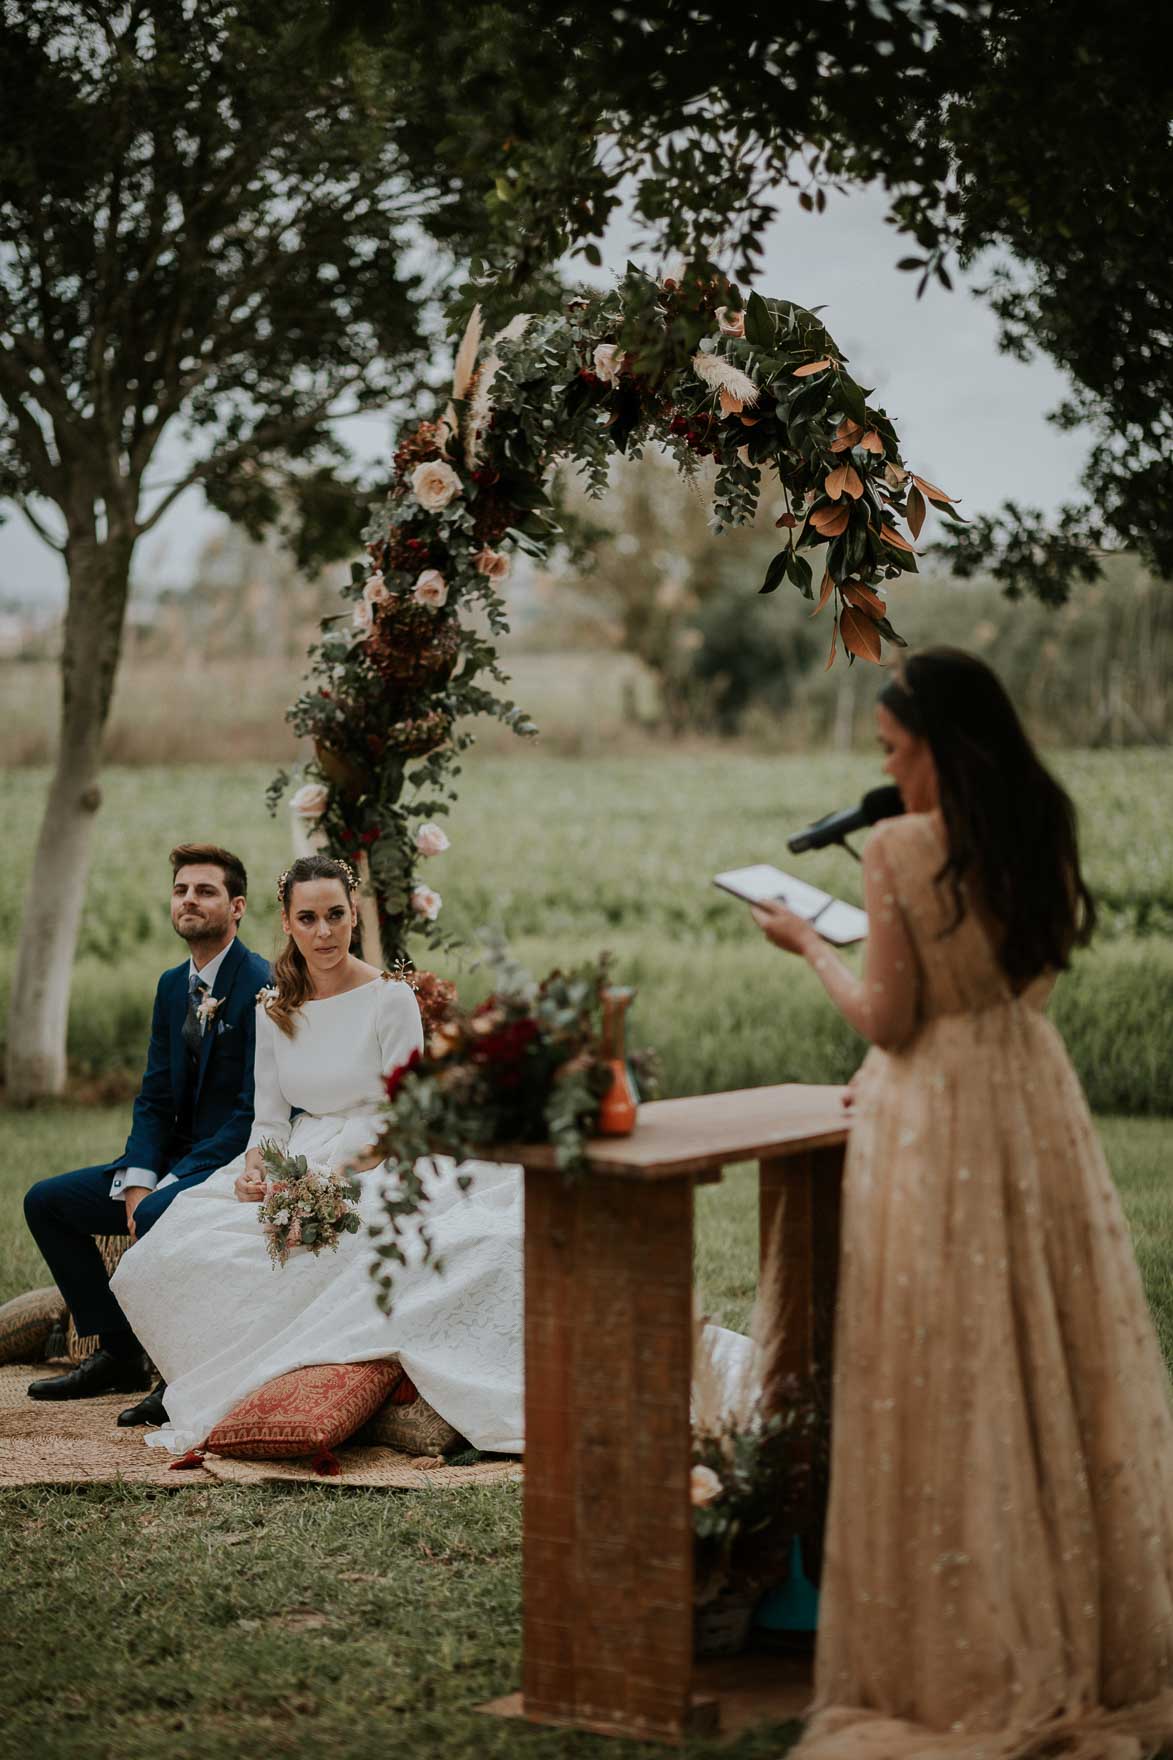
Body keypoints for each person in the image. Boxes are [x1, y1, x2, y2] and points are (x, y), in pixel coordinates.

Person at [750, 648, 1173, 1759]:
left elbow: (889, 1017)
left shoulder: (896, 846)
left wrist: (805, 945)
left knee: (943, 1366)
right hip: (1032, 1098)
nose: (888, 768)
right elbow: (1012, 985)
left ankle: (972, 1642)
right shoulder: (1040, 823)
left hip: (936, 1120)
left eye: (894, 750)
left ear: (937, 745)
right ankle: (1084, 1622)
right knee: (1046, 1353)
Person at [109, 854, 528, 1457]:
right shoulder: (273, 1007)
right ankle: (188, 1377)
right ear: (286, 922)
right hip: (300, 1149)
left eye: (336, 915)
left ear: (353, 913)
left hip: (385, 1151)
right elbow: (271, 1117)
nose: (324, 932)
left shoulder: (389, 999)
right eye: (308, 918)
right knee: (185, 1240)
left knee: (371, 1244)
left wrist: (338, 1173)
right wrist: (259, 1166)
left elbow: (404, 1107)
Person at [24, 844, 270, 1425]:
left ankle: (178, 1374)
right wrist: (138, 1178)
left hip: (228, 1161)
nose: (190, 900)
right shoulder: (169, 985)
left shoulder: (261, 983)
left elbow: (252, 1109)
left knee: (160, 1214)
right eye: (181, 890)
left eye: (205, 891)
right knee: (48, 1202)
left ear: (236, 908)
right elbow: (154, 1095)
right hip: (167, 1164)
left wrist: (174, 1181)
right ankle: (118, 1350)